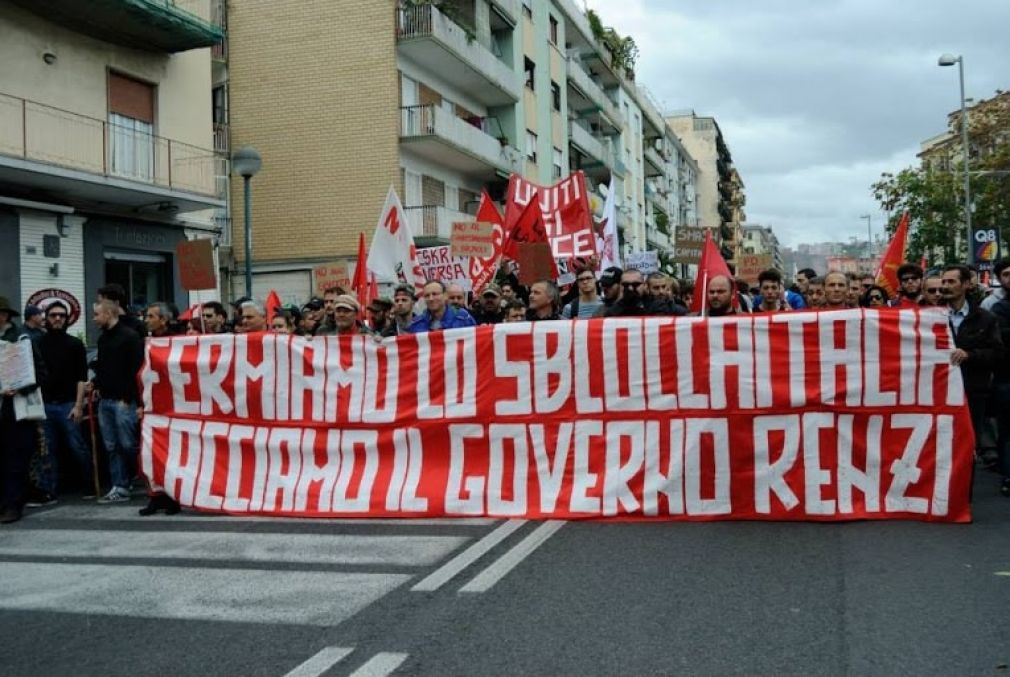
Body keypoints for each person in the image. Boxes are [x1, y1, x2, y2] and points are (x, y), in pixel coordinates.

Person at [942, 264, 1002, 471]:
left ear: (966, 284)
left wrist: (970, 355)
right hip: (940, 393)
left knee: (967, 446)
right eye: (944, 281)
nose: (946, 286)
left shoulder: (985, 318)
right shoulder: (932, 317)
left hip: (973, 391)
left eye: (952, 281)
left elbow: (996, 353)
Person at [34, 301, 91, 503]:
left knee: (78, 447)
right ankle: (49, 491)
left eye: (61, 315)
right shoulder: (38, 344)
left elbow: (81, 378)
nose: (57, 318)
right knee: (47, 451)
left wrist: (78, 405)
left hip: (68, 404)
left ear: (67, 319)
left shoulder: (75, 345)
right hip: (44, 405)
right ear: (46, 319)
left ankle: (89, 484)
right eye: (53, 315)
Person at [92, 299, 144, 504]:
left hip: (123, 401)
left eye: (97, 314)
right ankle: (120, 485)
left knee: (127, 443)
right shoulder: (103, 339)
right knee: (112, 445)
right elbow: (104, 366)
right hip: (106, 399)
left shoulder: (130, 337)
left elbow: (136, 370)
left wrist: (130, 398)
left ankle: (136, 473)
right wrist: (96, 384)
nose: (95, 319)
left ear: (108, 314)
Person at [0, 297, 47, 523]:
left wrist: (17, 387)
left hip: (15, 410)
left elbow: (38, 373)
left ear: (4, 316)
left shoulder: (21, 338)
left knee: (16, 460)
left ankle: (13, 505)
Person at [409, 281, 476, 333]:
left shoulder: (463, 317)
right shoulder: (416, 324)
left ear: (445, 296)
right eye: (427, 296)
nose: (431, 298)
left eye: (435, 294)